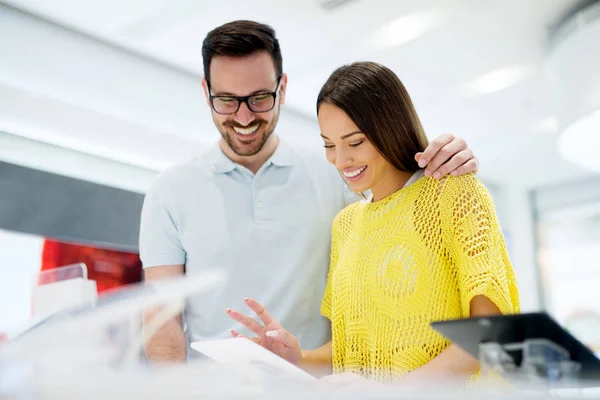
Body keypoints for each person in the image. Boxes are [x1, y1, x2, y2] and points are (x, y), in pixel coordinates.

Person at [139, 20, 480, 364]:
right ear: (206, 92)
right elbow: (161, 319)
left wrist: (440, 161)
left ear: (282, 88)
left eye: (259, 98)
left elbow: (404, 207)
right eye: (226, 100)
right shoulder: (170, 191)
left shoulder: (336, 172)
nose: (243, 117)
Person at [226, 61, 520, 385]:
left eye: (354, 143)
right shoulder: (346, 225)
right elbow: (354, 347)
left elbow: (489, 335)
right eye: (328, 144)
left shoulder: (453, 193)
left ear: (389, 128)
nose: (340, 160)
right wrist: (298, 358)